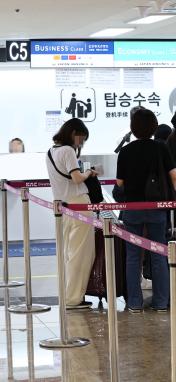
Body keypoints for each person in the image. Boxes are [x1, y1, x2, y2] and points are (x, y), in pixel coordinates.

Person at [116, 109, 176, 313]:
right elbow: (174, 178)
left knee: (133, 255)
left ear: (133, 128)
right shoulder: (161, 148)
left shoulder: (125, 151)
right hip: (157, 207)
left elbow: (120, 184)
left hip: (132, 208)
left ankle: (134, 302)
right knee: (159, 253)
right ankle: (161, 302)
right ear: (154, 126)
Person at [45, 119, 97, 309]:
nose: (80, 143)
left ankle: (69, 295)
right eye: (81, 138)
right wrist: (89, 173)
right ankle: (74, 298)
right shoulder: (67, 151)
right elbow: (76, 178)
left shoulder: (51, 151)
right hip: (79, 204)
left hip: (63, 207)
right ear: (73, 132)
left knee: (69, 252)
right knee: (81, 254)